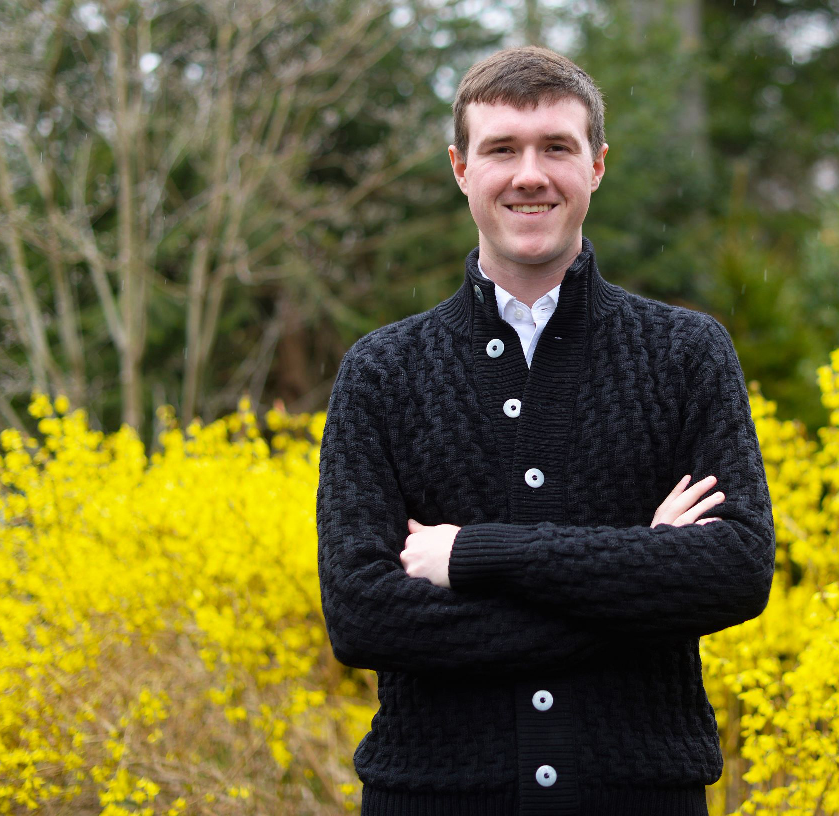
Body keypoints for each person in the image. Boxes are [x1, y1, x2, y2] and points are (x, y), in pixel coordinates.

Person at [316, 45, 775, 816]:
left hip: (639, 798)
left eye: (556, 147)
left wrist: (474, 552)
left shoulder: (687, 354)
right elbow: (364, 616)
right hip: (435, 798)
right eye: (502, 149)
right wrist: (642, 580)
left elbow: (734, 568)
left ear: (596, 165)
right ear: (462, 168)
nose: (530, 173)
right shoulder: (381, 372)